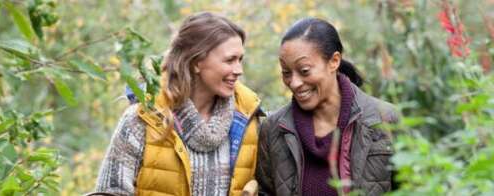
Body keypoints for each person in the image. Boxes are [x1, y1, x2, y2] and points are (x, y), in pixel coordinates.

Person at [92, 12, 263, 196]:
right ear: (197, 62)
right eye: (230, 60)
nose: (239, 70)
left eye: (240, 60)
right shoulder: (142, 119)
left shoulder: (247, 121)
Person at [256, 18, 399, 196]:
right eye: (286, 73)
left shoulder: (385, 118)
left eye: (304, 71)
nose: (294, 83)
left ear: (334, 61)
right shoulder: (273, 129)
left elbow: (412, 188)